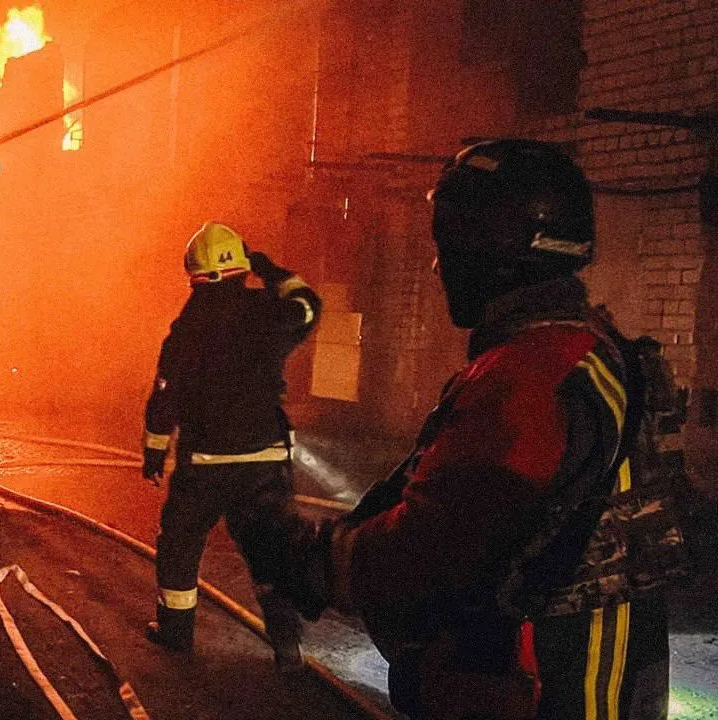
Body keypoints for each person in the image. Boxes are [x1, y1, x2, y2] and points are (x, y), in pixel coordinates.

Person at [267, 140, 689, 718]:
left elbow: (432, 545)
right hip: (602, 667)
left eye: (450, 245)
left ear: (497, 252)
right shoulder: (591, 349)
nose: (440, 268)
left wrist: (313, 562)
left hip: (539, 684)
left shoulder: (529, 374)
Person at [141, 221, 321, 679]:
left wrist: (154, 452)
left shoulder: (186, 329)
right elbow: (308, 306)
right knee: (270, 549)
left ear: (194, 272)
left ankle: (176, 634)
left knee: (180, 546)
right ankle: (287, 646)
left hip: (204, 465)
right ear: (241, 266)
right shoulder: (267, 313)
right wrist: (272, 270)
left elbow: (165, 396)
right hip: (263, 462)